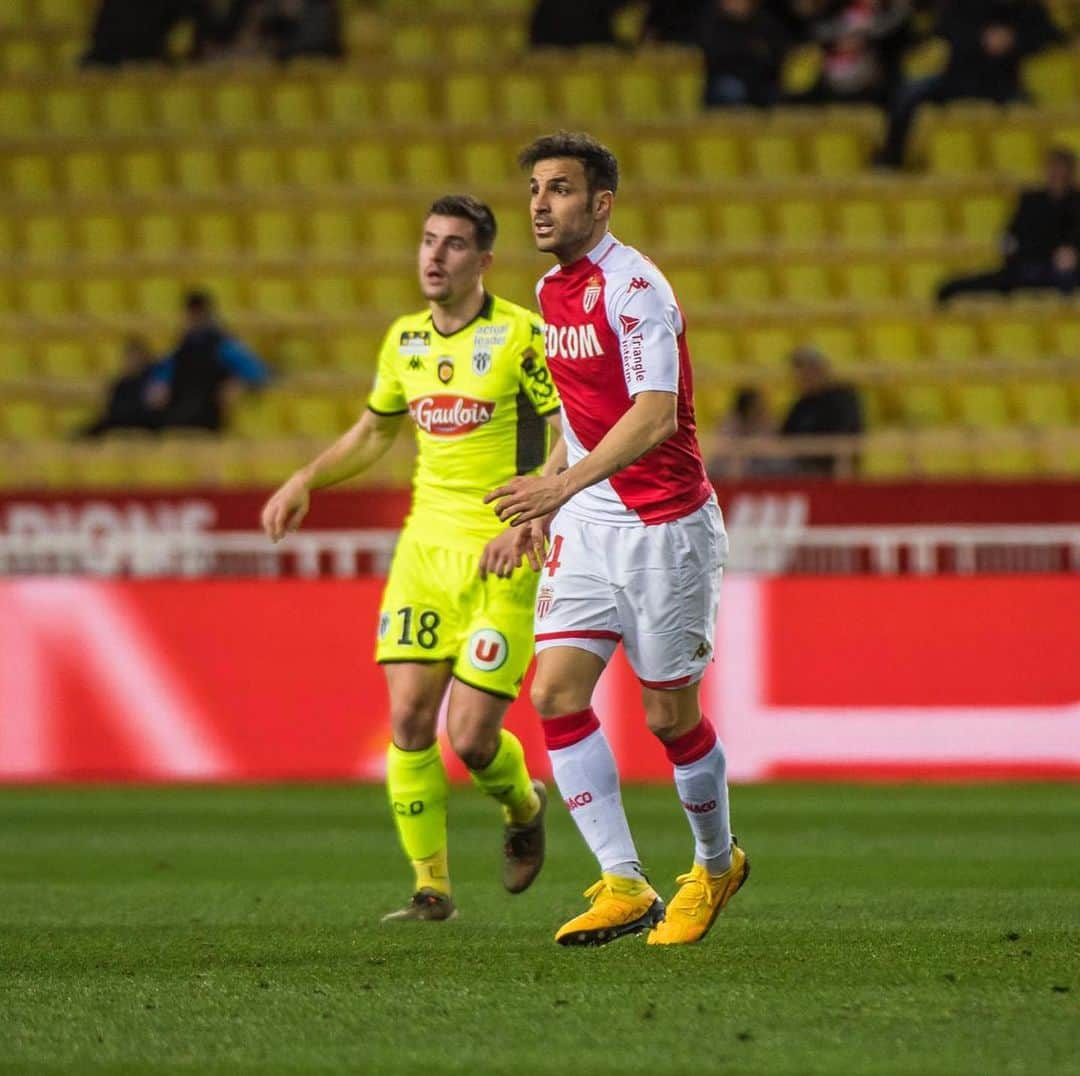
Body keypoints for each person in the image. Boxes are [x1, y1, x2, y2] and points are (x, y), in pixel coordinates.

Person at [262, 196, 564, 922]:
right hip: (423, 554)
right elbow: (373, 433)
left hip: (503, 557)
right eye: (428, 242)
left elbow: (573, 431)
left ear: (484, 261)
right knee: (407, 722)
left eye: (454, 245)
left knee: (471, 737)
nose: (435, 256)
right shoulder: (404, 342)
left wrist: (535, 510)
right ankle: (432, 889)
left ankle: (523, 806)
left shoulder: (524, 336)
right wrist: (307, 478)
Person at [486, 132, 749, 947]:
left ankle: (714, 863)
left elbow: (654, 414)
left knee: (670, 718)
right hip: (593, 523)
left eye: (559, 189)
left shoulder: (636, 289)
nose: (538, 203)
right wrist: (545, 503)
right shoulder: (552, 290)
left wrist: (560, 486)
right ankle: (624, 884)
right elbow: (578, 413)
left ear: (602, 203)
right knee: (555, 695)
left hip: (666, 526)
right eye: (533, 187)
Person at [876, 0, 1062, 168]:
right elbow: (944, 29)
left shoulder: (1027, 8)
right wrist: (980, 39)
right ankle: (891, 160)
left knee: (1027, 112)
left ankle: (1024, 168)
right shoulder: (962, 5)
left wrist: (1014, 39)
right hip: (955, 80)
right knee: (907, 95)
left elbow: (1052, 35)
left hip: (1000, 85)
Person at [938, 146, 1080, 301]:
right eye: (1052, 167)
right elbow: (1009, 236)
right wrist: (1013, 251)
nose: (1056, 173)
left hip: (1065, 272)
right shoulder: (1030, 201)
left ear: (1070, 171)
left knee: (1066, 280)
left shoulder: (1076, 202)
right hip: (1027, 266)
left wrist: (1073, 253)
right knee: (950, 288)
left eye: (1061, 168)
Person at [146, 290, 271, 433]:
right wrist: (160, 383)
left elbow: (258, 371)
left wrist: (241, 382)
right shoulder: (182, 348)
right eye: (191, 315)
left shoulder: (224, 345)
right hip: (180, 408)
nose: (194, 320)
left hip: (210, 412)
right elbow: (163, 371)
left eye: (199, 314)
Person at [779, 345, 863, 474]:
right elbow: (785, 434)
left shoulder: (843, 398)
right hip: (799, 464)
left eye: (802, 369)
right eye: (796, 369)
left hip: (829, 467)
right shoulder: (803, 402)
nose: (798, 375)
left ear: (819, 369)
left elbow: (844, 434)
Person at [701, 0, 791, 108]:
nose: (739, 4)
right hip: (727, 81)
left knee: (779, 92)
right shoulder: (713, 24)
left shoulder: (765, 23)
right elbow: (715, 59)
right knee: (732, 90)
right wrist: (750, 51)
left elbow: (777, 55)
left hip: (760, 79)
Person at [78, 336, 161, 438]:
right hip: (117, 426)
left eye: (134, 357)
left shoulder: (152, 383)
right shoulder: (120, 385)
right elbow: (111, 412)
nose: (130, 361)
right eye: (128, 357)